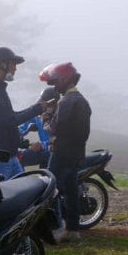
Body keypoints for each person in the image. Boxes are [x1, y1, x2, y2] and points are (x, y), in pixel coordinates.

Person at [39, 63, 92, 243]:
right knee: (70, 191)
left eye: (55, 83)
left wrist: (46, 116)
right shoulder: (82, 100)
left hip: (61, 152)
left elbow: (54, 129)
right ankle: (72, 229)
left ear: (64, 80)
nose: (54, 86)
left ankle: (54, 230)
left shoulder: (66, 101)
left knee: (50, 190)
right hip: (77, 153)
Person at [0, 46, 46, 179]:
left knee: (23, 195)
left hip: (8, 158)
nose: (15, 68)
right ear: (2, 64)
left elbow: (10, 117)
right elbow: (10, 120)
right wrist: (36, 109)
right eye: (13, 64)